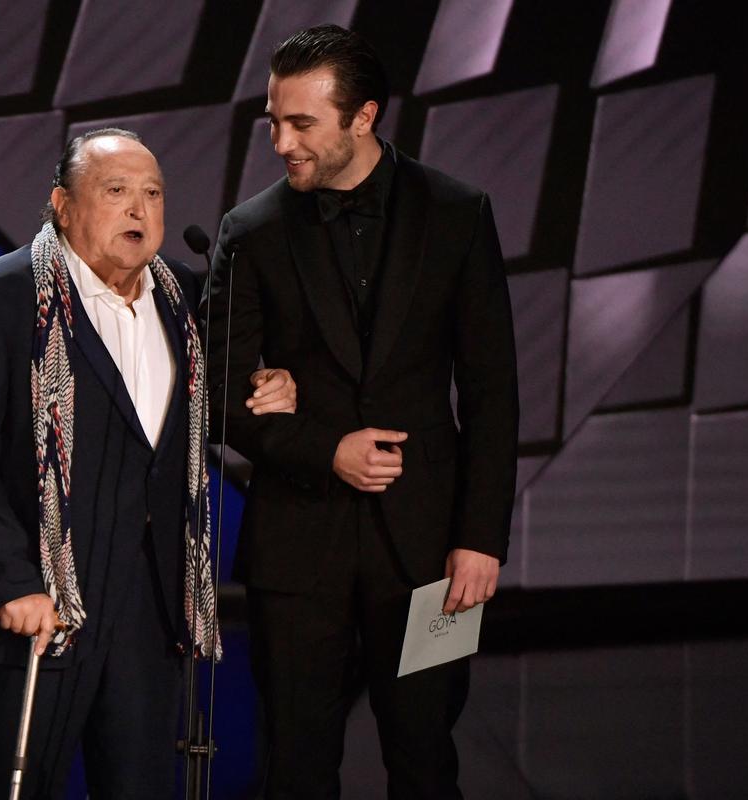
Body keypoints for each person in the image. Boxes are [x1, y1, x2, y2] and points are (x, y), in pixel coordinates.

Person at [0, 128, 295, 799]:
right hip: (40, 604)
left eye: (152, 193)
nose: (139, 209)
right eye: (117, 191)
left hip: (147, 610)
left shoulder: (182, 298)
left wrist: (270, 387)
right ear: (62, 205)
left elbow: (214, 408)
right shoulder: (0, 298)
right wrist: (10, 583)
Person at [206, 25, 519, 799]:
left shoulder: (458, 212)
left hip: (434, 552)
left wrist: (480, 539)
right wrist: (324, 448)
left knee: (426, 757)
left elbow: (491, 389)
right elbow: (217, 395)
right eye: (274, 121)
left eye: (301, 123)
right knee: (296, 764)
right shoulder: (250, 233)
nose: (281, 141)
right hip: (296, 553)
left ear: (363, 117)